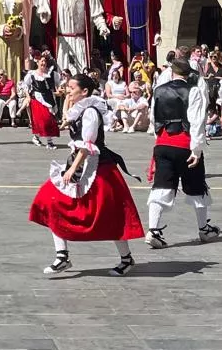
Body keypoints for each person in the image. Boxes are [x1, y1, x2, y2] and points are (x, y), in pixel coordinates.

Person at [28, 73, 143, 275]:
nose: (67, 90)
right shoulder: (79, 110)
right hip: (81, 164)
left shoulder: (90, 112)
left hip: (98, 169)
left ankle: (126, 258)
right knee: (50, 199)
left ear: (85, 92)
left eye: (71, 88)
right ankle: (62, 256)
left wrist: (72, 169)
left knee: (110, 213)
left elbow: (88, 146)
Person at [145, 58, 219, 250]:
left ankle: (153, 230)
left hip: (162, 143)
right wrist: (197, 149)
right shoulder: (193, 90)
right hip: (184, 144)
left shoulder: (158, 90)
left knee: (161, 186)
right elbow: (196, 122)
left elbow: (153, 118)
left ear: (172, 72)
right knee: (197, 186)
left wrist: (159, 139)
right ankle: (204, 229)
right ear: (189, 74)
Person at [37, 0, 108, 75]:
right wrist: (44, 14)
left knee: (82, 71)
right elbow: (44, 17)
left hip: (80, 40)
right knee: (64, 71)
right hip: (63, 41)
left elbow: (97, 14)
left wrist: (102, 26)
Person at [22, 51, 58, 148]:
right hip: (37, 99)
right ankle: (49, 142)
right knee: (44, 120)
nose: (43, 63)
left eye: (44, 61)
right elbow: (25, 85)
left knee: (49, 120)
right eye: (41, 61)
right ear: (37, 62)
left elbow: (57, 85)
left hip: (49, 98)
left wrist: (59, 91)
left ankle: (37, 138)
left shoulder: (51, 73)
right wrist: (28, 96)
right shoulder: (32, 74)